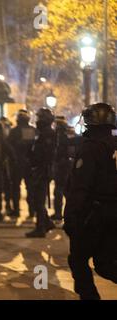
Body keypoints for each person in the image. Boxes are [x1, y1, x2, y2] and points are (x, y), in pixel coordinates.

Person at [64, 103, 117, 300]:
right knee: (106, 264)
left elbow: (80, 186)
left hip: (93, 215)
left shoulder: (90, 147)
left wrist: (70, 217)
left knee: (78, 260)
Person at [25, 108, 56, 238]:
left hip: (42, 170)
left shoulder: (47, 133)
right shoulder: (43, 132)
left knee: (38, 199)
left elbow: (45, 154)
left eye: (39, 118)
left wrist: (34, 157)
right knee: (38, 198)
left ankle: (40, 227)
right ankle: (47, 222)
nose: (37, 120)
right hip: (40, 169)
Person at [8, 109, 36, 218]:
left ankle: (16, 210)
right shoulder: (34, 130)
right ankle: (32, 210)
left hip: (17, 163)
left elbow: (8, 146)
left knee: (15, 187)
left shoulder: (14, 131)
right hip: (30, 163)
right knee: (30, 187)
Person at [52, 115, 73, 221]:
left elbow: (58, 153)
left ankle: (59, 213)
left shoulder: (58, 137)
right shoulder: (68, 135)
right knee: (65, 191)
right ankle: (67, 212)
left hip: (61, 166)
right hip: (67, 166)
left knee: (59, 191)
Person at [0, 116, 14, 215]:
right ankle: (7, 205)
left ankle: (0, 209)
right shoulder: (4, 136)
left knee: (3, 186)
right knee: (6, 186)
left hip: (2, 164)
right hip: (5, 163)